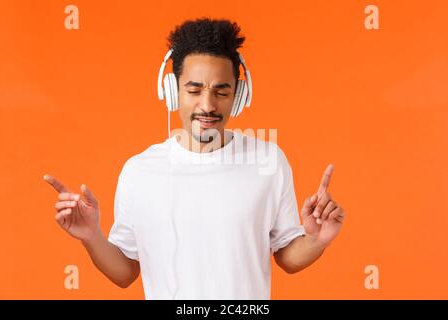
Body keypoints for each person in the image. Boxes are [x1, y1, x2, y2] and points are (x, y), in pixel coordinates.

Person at [44, 18, 345, 300]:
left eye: (221, 92)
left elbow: (287, 258)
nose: (208, 104)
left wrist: (317, 240)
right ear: (172, 92)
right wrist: (91, 237)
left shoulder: (269, 161)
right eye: (194, 89)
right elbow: (125, 273)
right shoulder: (139, 171)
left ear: (239, 96)